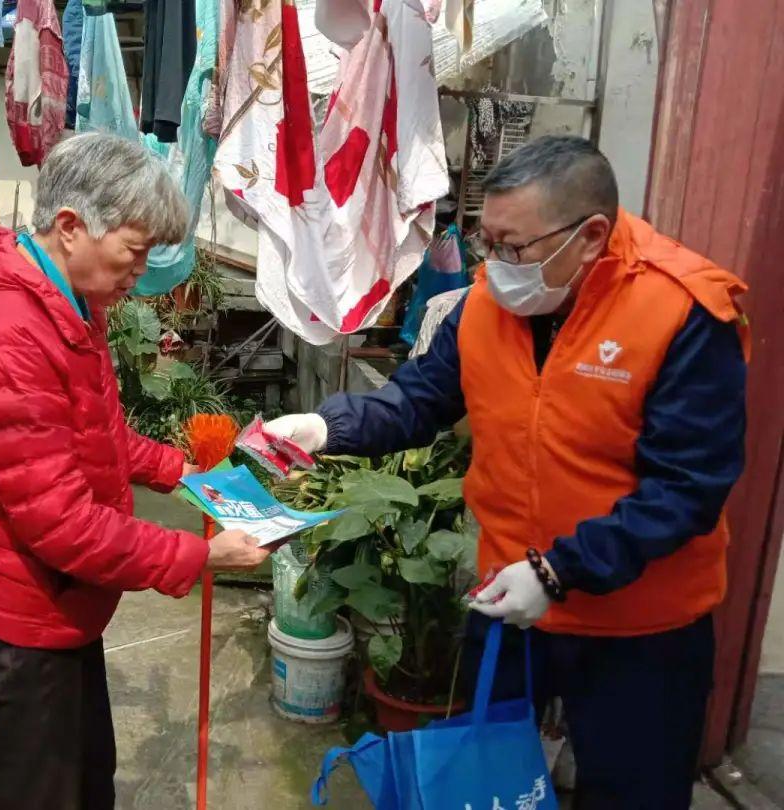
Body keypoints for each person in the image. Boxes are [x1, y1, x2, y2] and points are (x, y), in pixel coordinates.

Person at [268, 136, 749, 809]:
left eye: (514, 247)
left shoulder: (683, 315)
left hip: (639, 628)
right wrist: (325, 428)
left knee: (633, 792)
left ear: (590, 236)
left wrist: (558, 573)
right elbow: (421, 398)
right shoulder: (489, 303)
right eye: (485, 241)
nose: (494, 263)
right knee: (496, 784)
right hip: (510, 603)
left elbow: (686, 491)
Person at [0, 133, 269, 810]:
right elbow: (59, 521)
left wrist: (183, 471)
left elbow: (94, 437)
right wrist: (198, 554)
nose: (140, 271)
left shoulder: (72, 304)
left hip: (58, 607)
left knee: (87, 783)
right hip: (13, 623)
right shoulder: (5, 334)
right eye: (134, 252)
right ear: (72, 227)